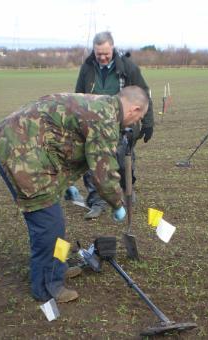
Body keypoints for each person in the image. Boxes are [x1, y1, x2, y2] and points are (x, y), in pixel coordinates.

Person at [0, 86, 149, 303]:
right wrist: (117, 203)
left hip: (30, 147)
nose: (136, 123)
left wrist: (63, 184)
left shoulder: (102, 105)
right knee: (48, 226)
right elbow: (103, 169)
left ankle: (58, 268)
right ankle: (46, 287)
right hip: (20, 152)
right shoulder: (105, 118)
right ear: (135, 109)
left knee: (56, 223)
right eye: (140, 117)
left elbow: (65, 143)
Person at [70, 31, 154, 219]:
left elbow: (143, 93)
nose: (102, 57)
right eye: (98, 53)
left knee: (122, 159)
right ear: (94, 50)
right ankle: (97, 201)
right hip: (92, 124)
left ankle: (126, 192)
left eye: (105, 53)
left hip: (122, 122)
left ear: (112, 48)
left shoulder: (128, 67)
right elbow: (78, 96)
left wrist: (148, 122)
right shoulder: (87, 68)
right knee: (91, 162)